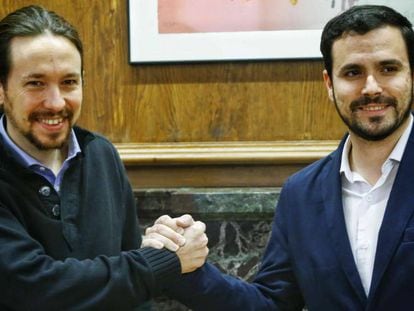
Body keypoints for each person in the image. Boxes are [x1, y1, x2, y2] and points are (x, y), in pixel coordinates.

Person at [152, 4, 414, 310]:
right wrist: (188, 270)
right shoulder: (301, 194)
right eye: (353, 72)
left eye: (388, 69)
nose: (371, 88)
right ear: (330, 84)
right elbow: (271, 303)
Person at [0, 5, 208, 310]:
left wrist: (159, 245)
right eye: (36, 83)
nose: (56, 102)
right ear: (2, 88)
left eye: (69, 82)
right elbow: (36, 288)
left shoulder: (101, 154)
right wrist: (162, 261)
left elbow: (131, 293)